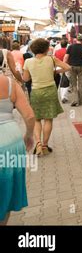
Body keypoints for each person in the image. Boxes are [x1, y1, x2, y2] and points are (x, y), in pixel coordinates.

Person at [23, 38, 71, 156]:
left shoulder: (28, 62)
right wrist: (55, 71)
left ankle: (38, 143)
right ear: (45, 49)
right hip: (50, 90)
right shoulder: (51, 59)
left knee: (37, 119)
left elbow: (25, 79)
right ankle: (45, 145)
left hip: (36, 91)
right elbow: (67, 67)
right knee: (48, 119)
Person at [0, 73, 35, 225]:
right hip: (11, 142)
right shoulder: (9, 82)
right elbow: (29, 116)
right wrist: (28, 135)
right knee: (6, 191)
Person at [63, 34, 82, 107]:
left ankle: (75, 100)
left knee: (73, 84)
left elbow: (66, 57)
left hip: (72, 67)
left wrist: (64, 66)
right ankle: (81, 100)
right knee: (81, 84)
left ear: (76, 40)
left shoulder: (70, 47)